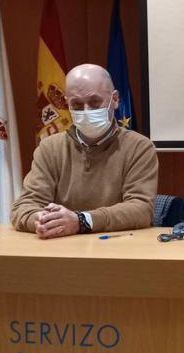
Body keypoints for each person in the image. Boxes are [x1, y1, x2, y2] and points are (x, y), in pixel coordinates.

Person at [11, 63, 158, 239]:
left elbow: (141, 209)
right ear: (67, 103)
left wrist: (82, 221)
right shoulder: (50, 148)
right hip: (61, 249)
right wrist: (43, 220)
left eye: (95, 102)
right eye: (77, 105)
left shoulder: (139, 147)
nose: (86, 111)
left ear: (115, 99)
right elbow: (23, 207)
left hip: (117, 250)